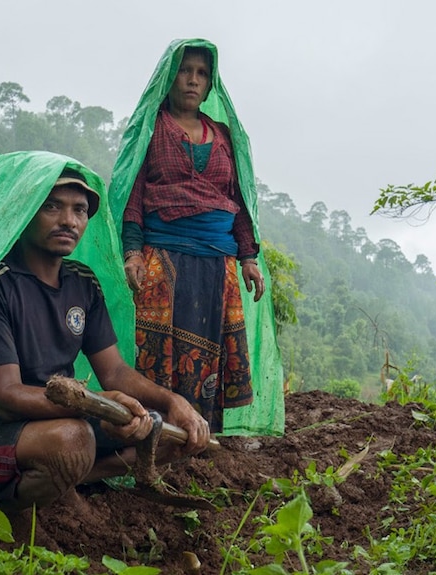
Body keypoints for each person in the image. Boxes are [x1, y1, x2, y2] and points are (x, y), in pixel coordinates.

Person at [0, 151, 209, 536]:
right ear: (24, 210)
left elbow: (115, 371)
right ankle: (6, 511)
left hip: (63, 420)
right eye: (52, 206)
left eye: (79, 210)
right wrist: (103, 410)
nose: (68, 221)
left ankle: (69, 479)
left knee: (166, 433)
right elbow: (6, 398)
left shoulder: (82, 282)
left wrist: (174, 402)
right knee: (72, 440)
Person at [110, 40, 276, 434]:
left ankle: (203, 434)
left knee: (210, 346)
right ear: (170, 77)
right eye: (186, 71)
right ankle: (155, 431)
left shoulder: (222, 135)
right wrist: (132, 252)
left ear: (210, 83)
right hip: (163, 257)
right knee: (157, 352)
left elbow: (238, 200)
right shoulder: (152, 130)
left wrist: (249, 258)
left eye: (202, 73)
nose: (193, 80)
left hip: (218, 260)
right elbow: (132, 193)